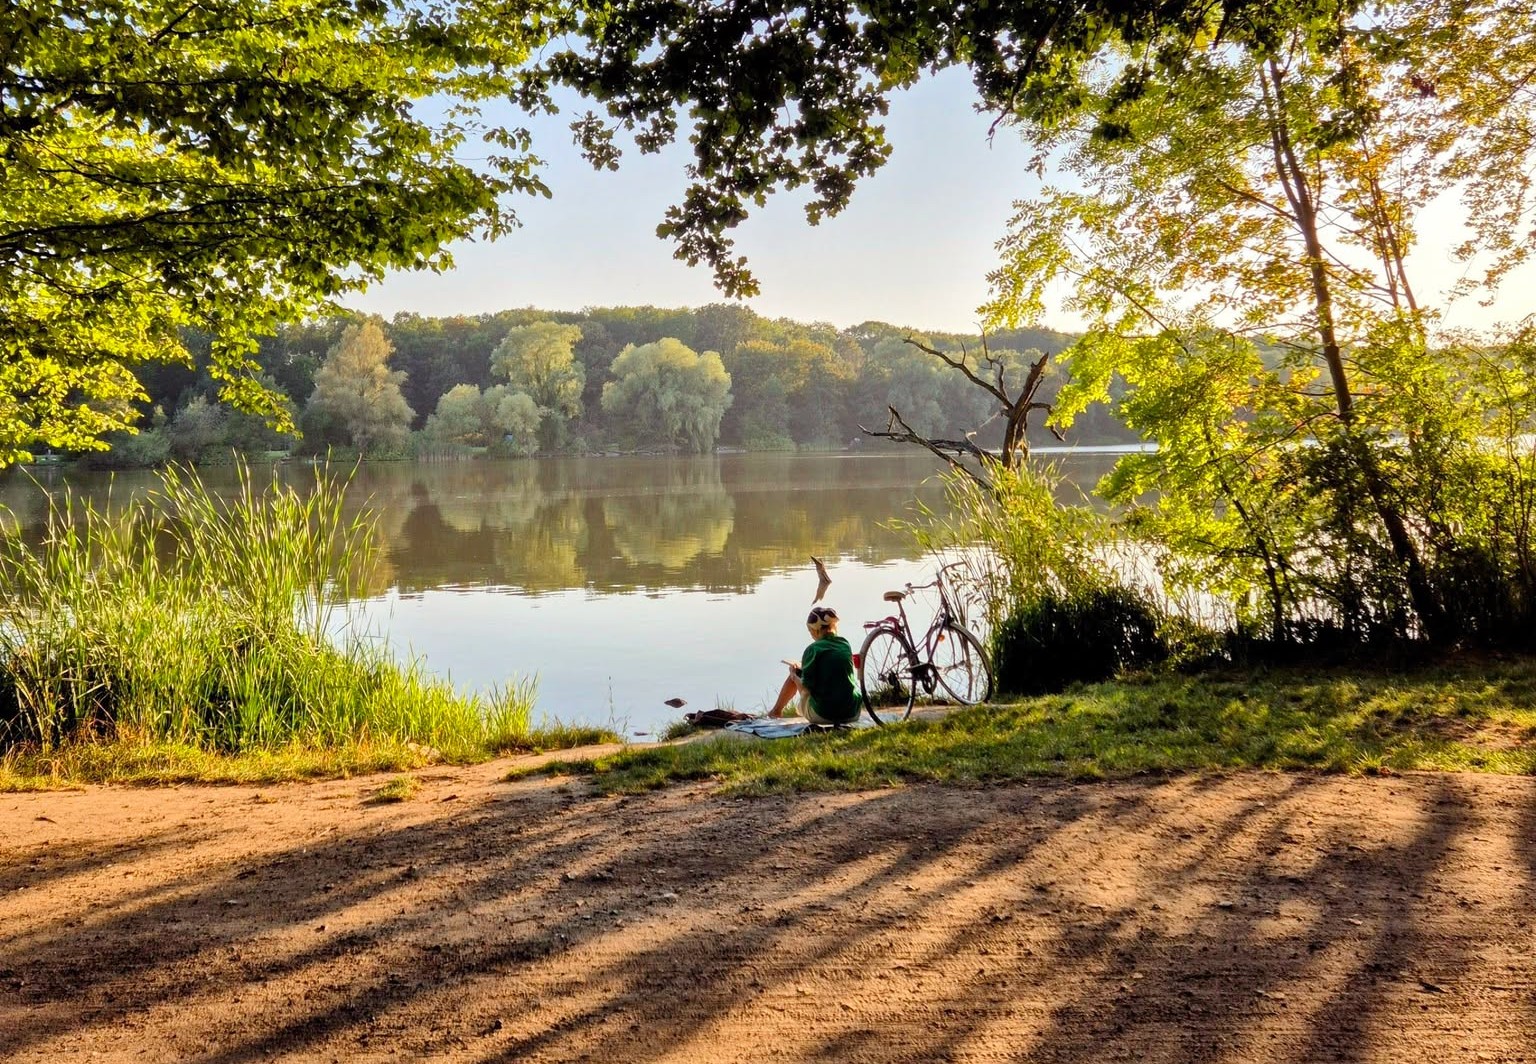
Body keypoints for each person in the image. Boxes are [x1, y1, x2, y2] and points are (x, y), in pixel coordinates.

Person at [766, 606, 862, 725]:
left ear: (816, 630)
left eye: (810, 631)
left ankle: (775, 712)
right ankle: (777, 711)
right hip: (853, 713)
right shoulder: (844, 643)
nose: (811, 635)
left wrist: (794, 676)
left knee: (796, 673)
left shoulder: (813, 649)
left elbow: (805, 688)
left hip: (825, 716)